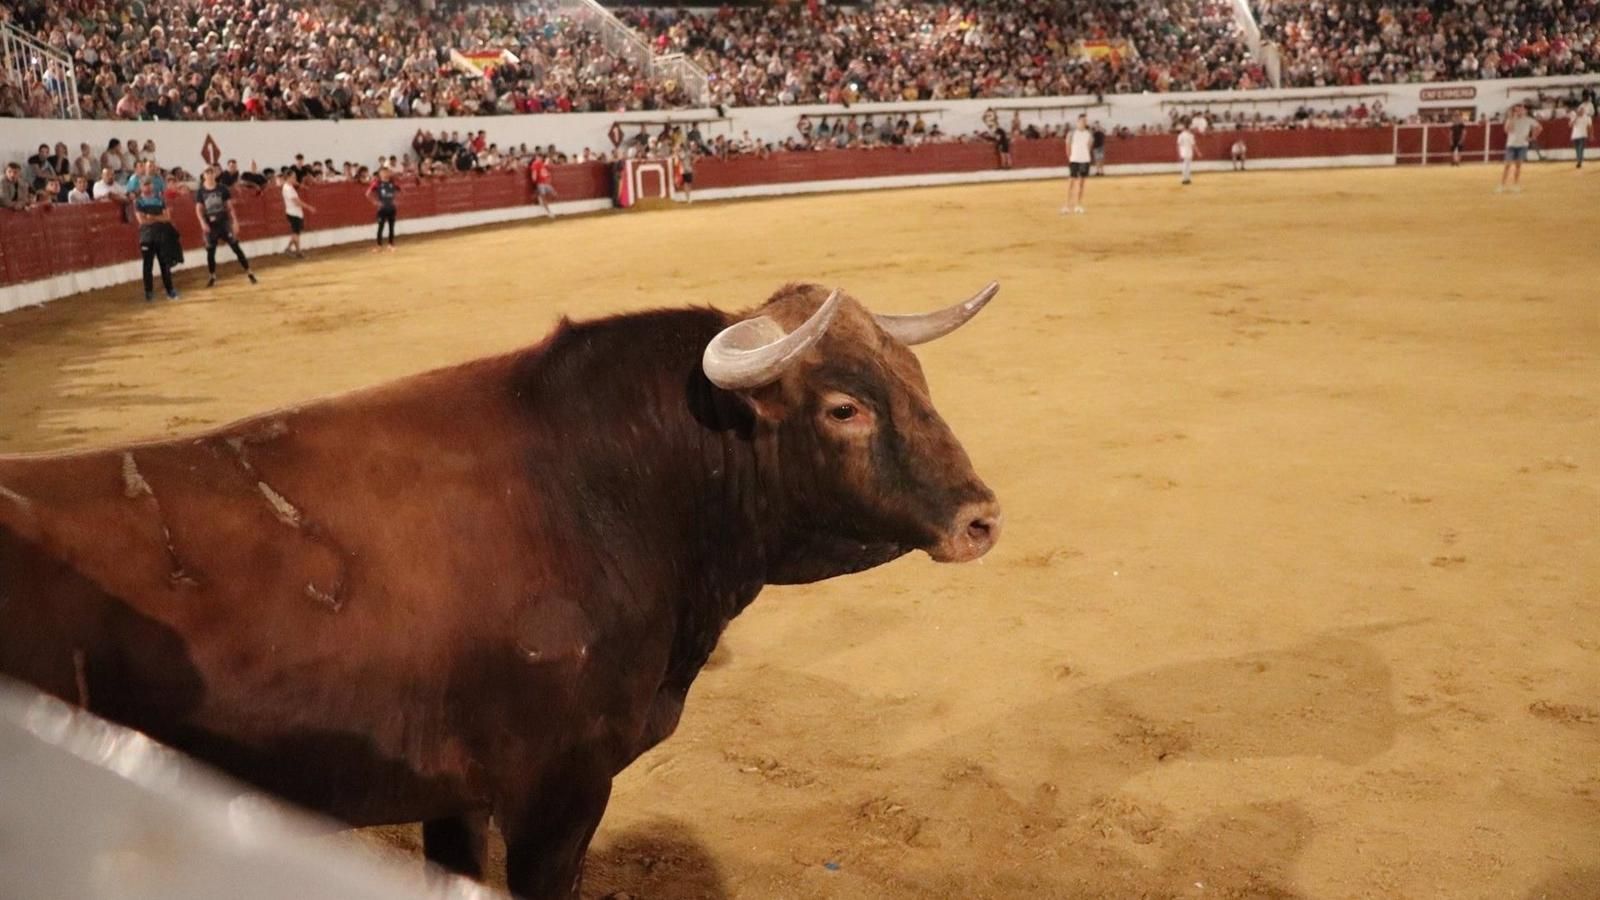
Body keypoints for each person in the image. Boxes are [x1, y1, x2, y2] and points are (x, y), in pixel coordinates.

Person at [194, 166, 256, 287]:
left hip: (223, 222)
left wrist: (235, 221)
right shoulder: (201, 191)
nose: (210, 174)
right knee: (210, 251)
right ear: (204, 175)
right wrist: (202, 222)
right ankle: (212, 276)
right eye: (207, 172)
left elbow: (229, 206)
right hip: (210, 224)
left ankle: (249, 272)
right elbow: (198, 209)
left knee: (236, 247)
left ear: (214, 174)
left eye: (211, 172)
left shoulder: (222, 188)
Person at [132, 177, 180, 302]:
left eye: (149, 184)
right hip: (147, 237)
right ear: (141, 187)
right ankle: (149, 292)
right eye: (145, 185)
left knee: (164, 265)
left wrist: (152, 217)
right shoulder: (138, 201)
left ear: (152, 186)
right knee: (148, 266)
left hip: (161, 236)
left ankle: (170, 291)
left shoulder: (159, 200)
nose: (147, 187)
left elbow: (167, 218)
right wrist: (159, 217)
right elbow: (142, 221)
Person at [1497, 105, 1541, 193]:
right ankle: (1502, 185)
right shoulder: (1510, 119)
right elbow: (1507, 130)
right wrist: (1512, 118)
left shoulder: (1529, 120)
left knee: (1518, 166)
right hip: (1511, 145)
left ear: (1525, 111)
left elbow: (1539, 127)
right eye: (1517, 110)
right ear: (1514, 112)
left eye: (1521, 110)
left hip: (1522, 145)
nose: (1519, 112)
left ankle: (1515, 185)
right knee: (1507, 166)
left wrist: (1533, 137)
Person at [1062, 114, 1092, 214]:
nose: (1084, 122)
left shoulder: (1088, 134)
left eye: (1085, 121)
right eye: (1082, 121)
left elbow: (1088, 146)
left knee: (1081, 184)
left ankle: (1078, 205)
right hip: (1074, 160)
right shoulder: (1072, 133)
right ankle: (1067, 205)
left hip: (1084, 160)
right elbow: (1067, 146)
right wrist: (1070, 157)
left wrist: (1085, 156)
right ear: (1078, 122)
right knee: (1071, 182)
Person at [281, 170, 315, 257]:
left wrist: (301, 185)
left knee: (296, 233)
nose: (295, 179)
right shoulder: (288, 189)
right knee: (296, 234)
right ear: (288, 178)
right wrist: (309, 207)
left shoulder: (287, 186)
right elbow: (297, 202)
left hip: (294, 212)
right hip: (294, 213)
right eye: (293, 177)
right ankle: (295, 251)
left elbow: (295, 183)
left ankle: (293, 250)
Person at [366, 165, 400, 251]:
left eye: (386, 172)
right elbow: (368, 193)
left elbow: (401, 191)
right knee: (380, 227)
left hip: (391, 207)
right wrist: (375, 202)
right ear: (380, 174)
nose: (385, 174)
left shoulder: (393, 183)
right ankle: (379, 245)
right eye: (383, 172)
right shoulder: (377, 183)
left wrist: (396, 200)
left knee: (391, 227)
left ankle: (391, 244)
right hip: (382, 208)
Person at [529, 152, 557, 218]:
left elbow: (544, 170)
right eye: (539, 157)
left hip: (545, 183)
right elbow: (534, 175)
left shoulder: (541, 164)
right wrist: (535, 182)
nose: (540, 158)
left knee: (554, 195)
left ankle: (539, 196)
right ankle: (549, 212)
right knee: (545, 198)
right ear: (536, 157)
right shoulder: (535, 164)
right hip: (541, 183)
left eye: (541, 157)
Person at [1570, 104, 1593, 169]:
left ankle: (1579, 162)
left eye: (1582, 110)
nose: (1581, 111)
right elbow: (1570, 125)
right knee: (1577, 150)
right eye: (1580, 110)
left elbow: (1590, 127)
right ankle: (1579, 161)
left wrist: (1591, 135)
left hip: (1583, 135)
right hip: (1575, 136)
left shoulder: (1587, 117)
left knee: (1580, 149)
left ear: (1584, 111)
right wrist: (1576, 117)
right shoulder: (1574, 116)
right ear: (1578, 110)